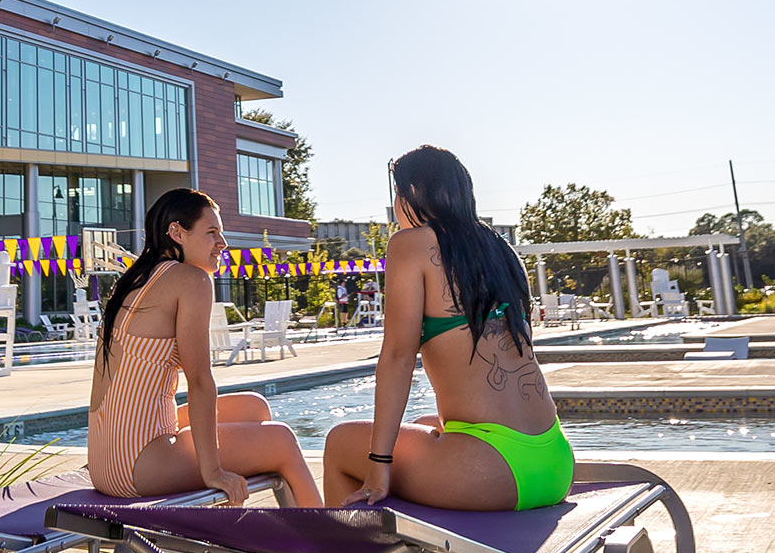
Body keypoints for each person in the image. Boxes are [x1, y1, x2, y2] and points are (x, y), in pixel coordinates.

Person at [324, 146, 571, 512]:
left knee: (339, 442)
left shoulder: (411, 243)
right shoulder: (502, 250)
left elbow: (397, 357)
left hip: (491, 472)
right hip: (554, 460)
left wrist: (379, 466)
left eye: (397, 193)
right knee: (426, 424)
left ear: (413, 192)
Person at [86, 188, 321, 503]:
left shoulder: (138, 279)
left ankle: (243, 526)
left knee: (254, 407)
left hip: (106, 461)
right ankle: (328, 535)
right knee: (282, 441)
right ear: (177, 233)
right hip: (135, 467)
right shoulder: (191, 280)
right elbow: (199, 381)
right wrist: (213, 471)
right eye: (212, 233)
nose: (222, 243)